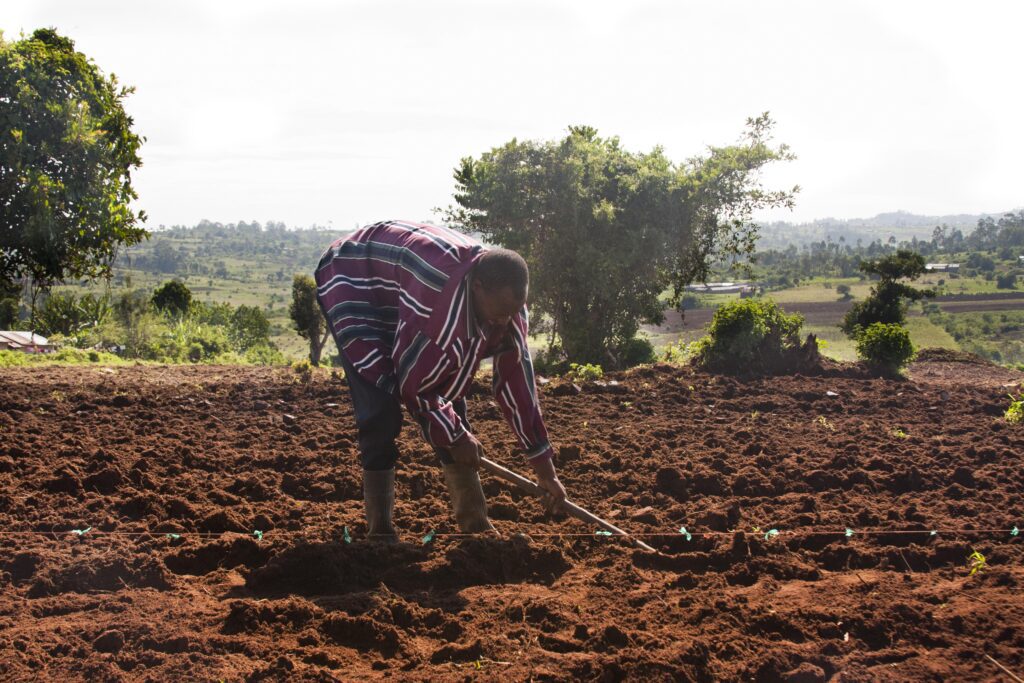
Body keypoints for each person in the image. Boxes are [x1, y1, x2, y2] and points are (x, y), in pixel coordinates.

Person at [314, 220, 567, 541]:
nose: (505, 320)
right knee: (380, 412)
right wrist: (458, 437)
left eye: (513, 311)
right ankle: (380, 534)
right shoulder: (437, 309)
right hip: (354, 278)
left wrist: (545, 472)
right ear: (477, 287)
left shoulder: (508, 307)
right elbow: (415, 387)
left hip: (403, 278)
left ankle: (475, 527)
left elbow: (518, 388)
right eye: (500, 311)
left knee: (450, 405)